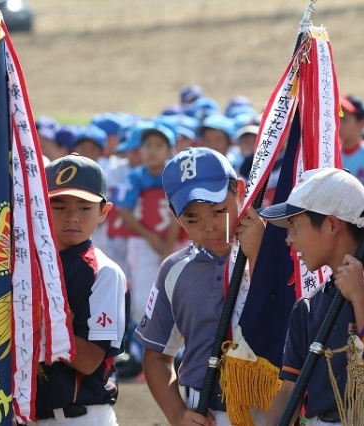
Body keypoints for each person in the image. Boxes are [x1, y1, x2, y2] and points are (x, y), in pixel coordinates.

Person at [135, 147, 266, 426]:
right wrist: (177, 414)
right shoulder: (174, 269)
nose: (209, 226)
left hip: (272, 406)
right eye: (193, 218)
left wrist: (260, 256)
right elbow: (157, 355)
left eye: (219, 211)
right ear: (174, 215)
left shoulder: (282, 252)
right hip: (204, 410)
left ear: (240, 191)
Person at [259, 167, 364, 426]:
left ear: (332, 225)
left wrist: (361, 298)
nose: (290, 240)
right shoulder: (307, 308)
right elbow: (290, 390)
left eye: (296, 227)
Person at [33, 154, 128, 426]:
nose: (72, 217)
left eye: (85, 207)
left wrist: (30, 323)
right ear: (41, 207)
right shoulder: (26, 265)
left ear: (103, 212)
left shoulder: (103, 272)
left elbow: (89, 360)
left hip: (82, 417)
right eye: (59, 205)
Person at [114, 122, 180, 376]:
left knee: (177, 296)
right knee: (142, 300)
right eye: (148, 145)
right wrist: (151, 237)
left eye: (159, 145)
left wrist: (169, 245)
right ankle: (144, 356)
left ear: (170, 150)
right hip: (142, 244)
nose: (152, 150)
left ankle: (179, 356)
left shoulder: (175, 174)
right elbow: (124, 210)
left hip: (177, 242)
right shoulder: (135, 176)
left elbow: (179, 210)